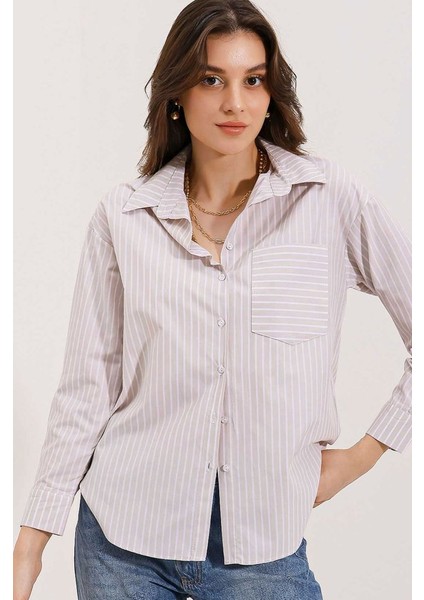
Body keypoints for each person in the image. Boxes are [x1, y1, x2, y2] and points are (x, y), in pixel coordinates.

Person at [13, 0, 411, 599]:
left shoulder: (329, 199)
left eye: (253, 80)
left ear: (272, 92)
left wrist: (362, 456)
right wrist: (33, 536)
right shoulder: (124, 216)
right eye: (211, 80)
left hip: (264, 552)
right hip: (123, 545)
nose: (236, 104)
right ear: (177, 93)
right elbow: (88, 387)